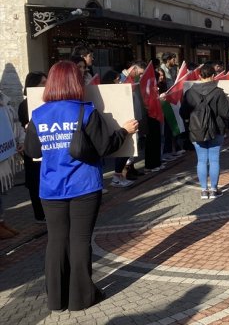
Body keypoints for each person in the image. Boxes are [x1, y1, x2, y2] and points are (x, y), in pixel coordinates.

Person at [23, 61, 137, 311]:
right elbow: (104, 147)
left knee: (56, 240)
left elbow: (32, 151)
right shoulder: (85, 110)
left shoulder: (39, 114)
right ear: (75, 83)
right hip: (83, 186)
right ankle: (80, 298)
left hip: (51, 188)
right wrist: (124, 131)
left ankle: (56, 298)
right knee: (80, 240)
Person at [180, 62, 229, 199]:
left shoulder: (190, 92)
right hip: (217, 129)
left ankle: (203, 190)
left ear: (199, 75)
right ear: (214, 76)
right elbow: (226, 113)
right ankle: (213, 189)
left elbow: (183, 113)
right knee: (214, 160)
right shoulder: (218, 92)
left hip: (196, 129)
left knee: (201, 160)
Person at [18, 71, 48, 223]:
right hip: (32, 147)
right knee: (35, 180)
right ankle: (39, 214)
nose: (46, 85)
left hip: (46, 146)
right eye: (43, 83)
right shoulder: (25, 105)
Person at [0, 87, 24, 239]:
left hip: (6, 153)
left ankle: (1, 222)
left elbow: (17, 125)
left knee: (2, 191)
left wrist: (21, 140)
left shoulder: (6, 101)